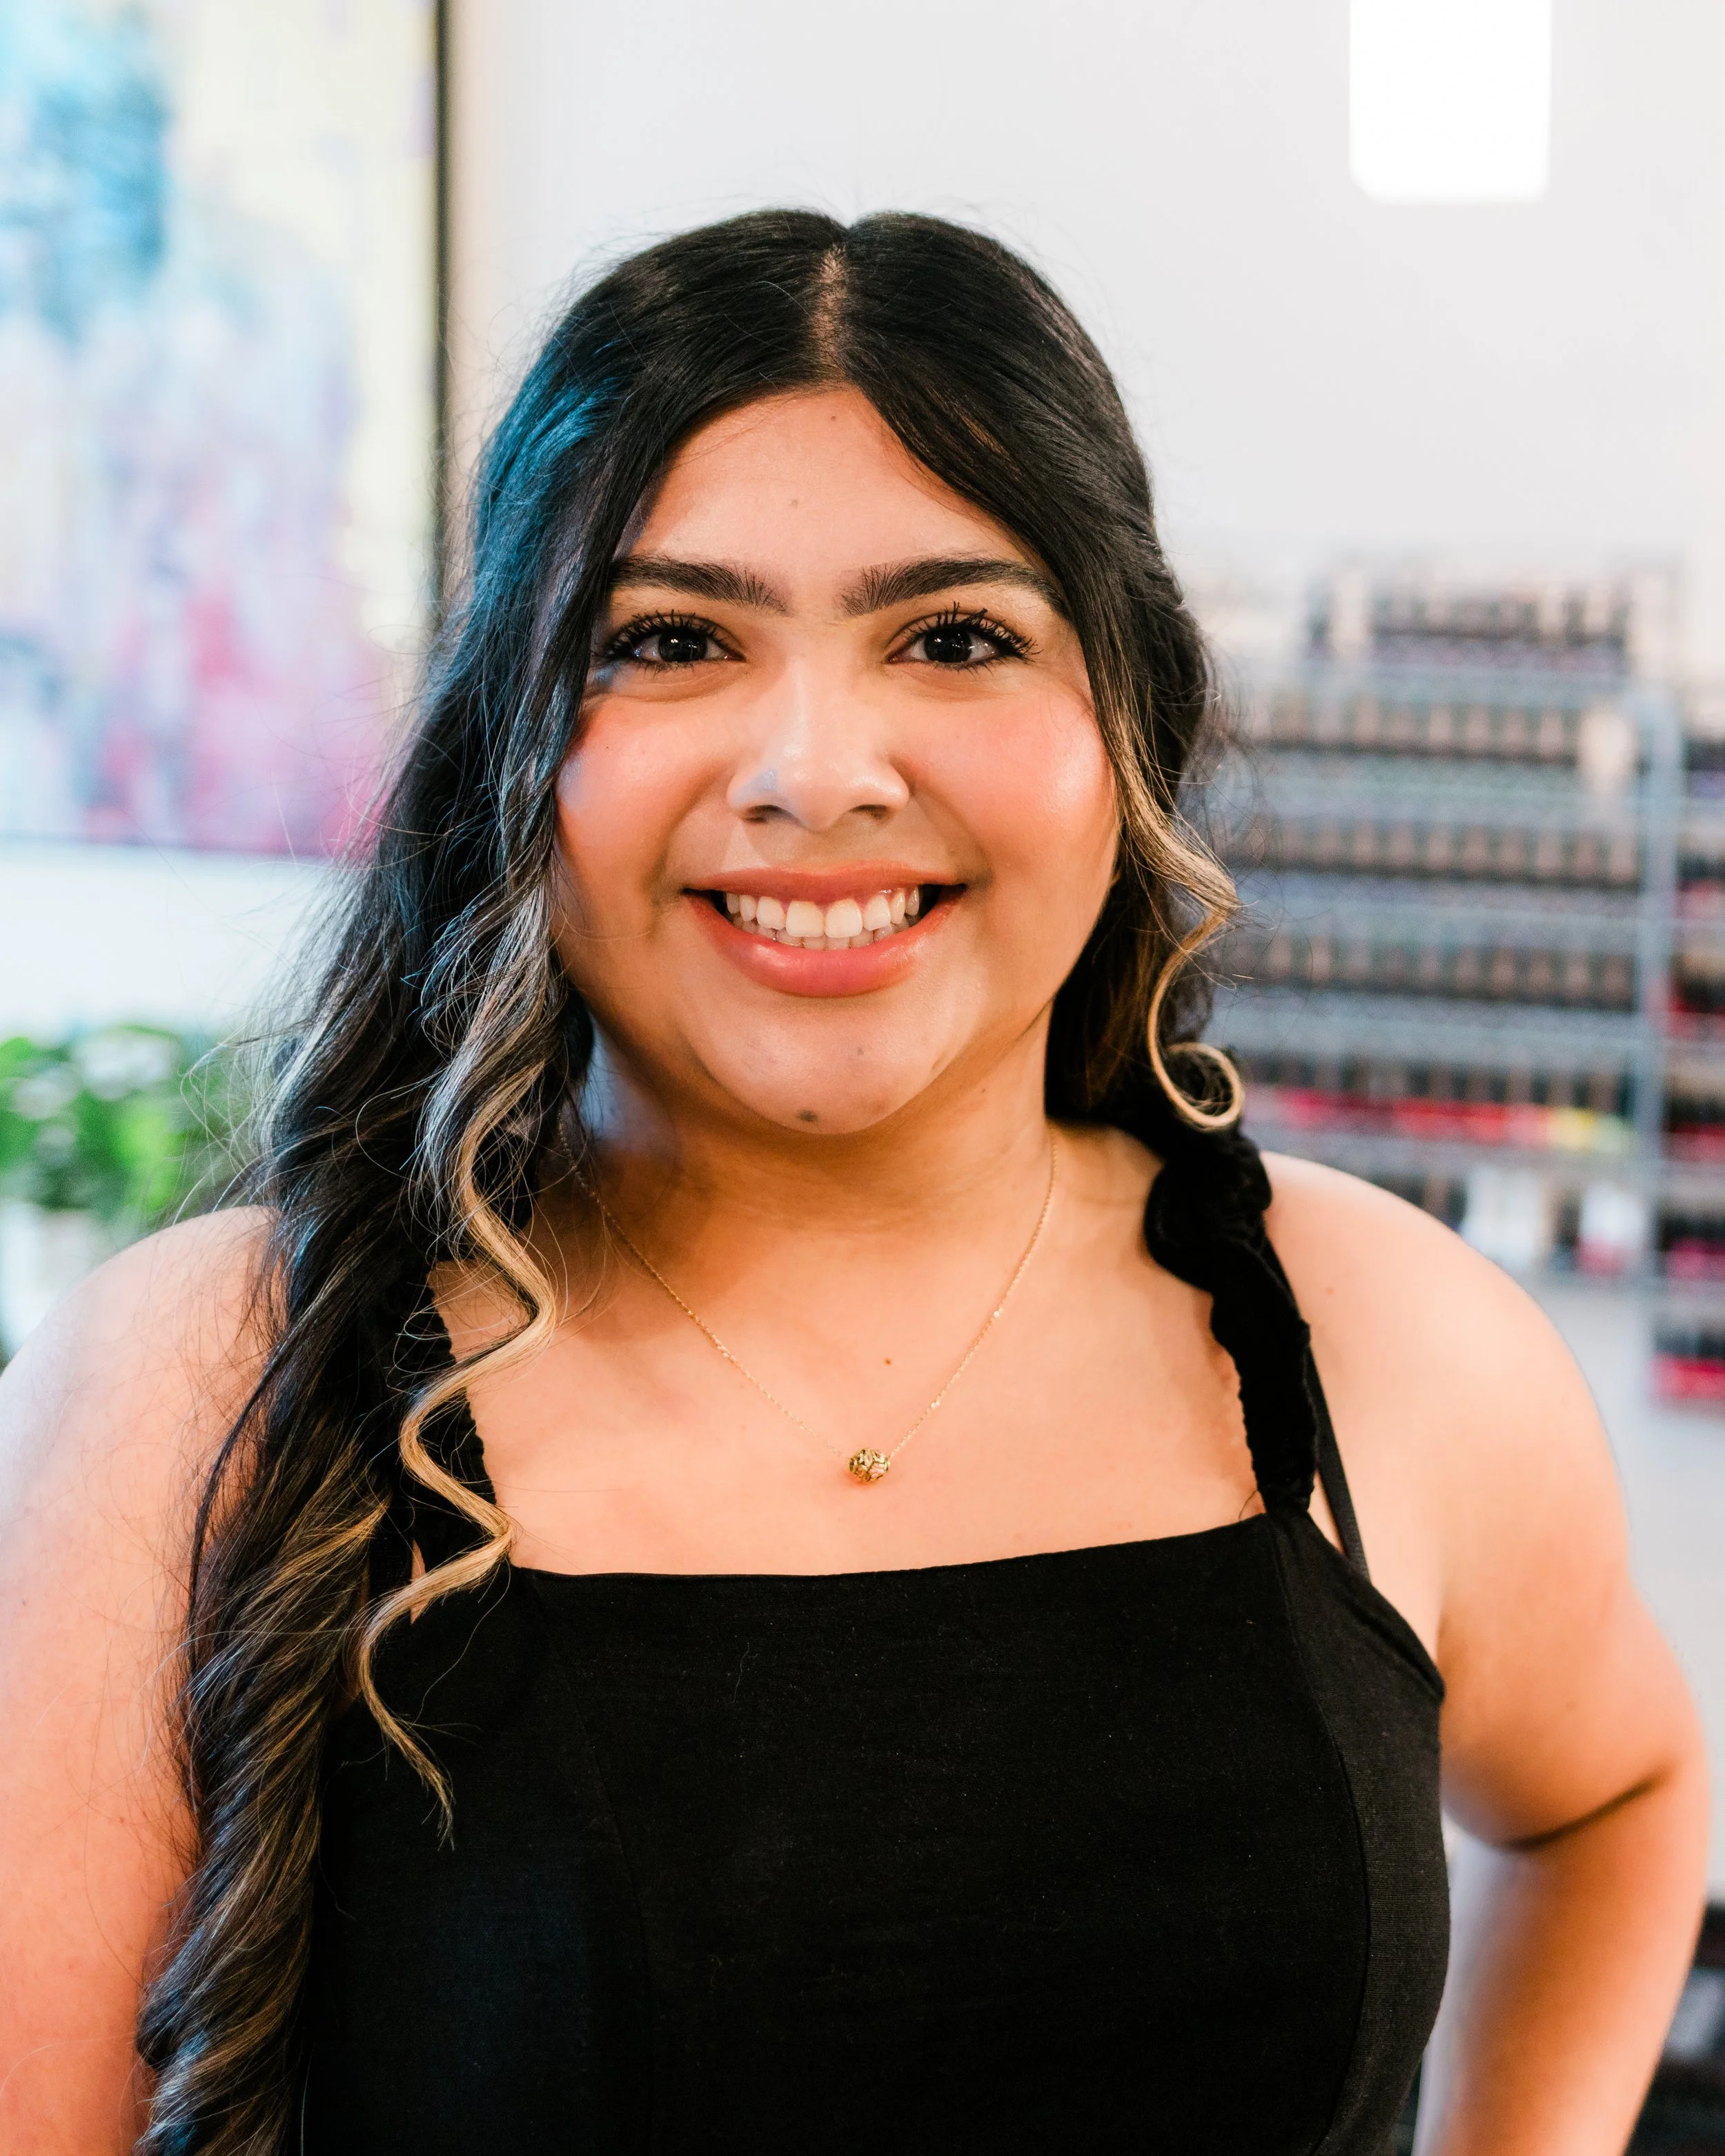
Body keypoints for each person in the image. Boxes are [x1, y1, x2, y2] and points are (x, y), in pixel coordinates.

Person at [0, 210, 1707, 2156]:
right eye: (670, 640)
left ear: (1122, 720)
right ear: (512, 737)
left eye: (956, 635)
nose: (817, 768)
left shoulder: (1382, 1340)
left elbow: (1617, 1798)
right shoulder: (197, 1387)